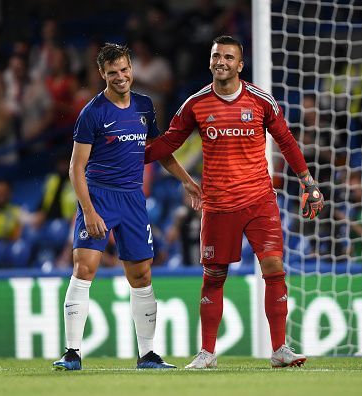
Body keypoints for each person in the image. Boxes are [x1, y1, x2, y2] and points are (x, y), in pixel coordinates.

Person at [145, 35, 323, 369]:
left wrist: (308, 183)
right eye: (216, 56)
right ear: (210, 61)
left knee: (274, 268)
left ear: (240, 65)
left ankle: (280, 349)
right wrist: (128, 154)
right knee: (213, 277)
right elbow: (168, 142)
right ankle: (207, 353)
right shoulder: (196, 104)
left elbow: (286, 140)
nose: (221, 62)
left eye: (228, 57)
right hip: (218, 206)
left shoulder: (260, 101)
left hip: (259, 201)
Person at [52, 43, 202, 371]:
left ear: (131, 68)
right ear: (101, 75)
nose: (120, 77)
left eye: (124, 70)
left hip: (133, 198)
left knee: (141, 273)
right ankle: (72, 353)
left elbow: (158, 149)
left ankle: (147, 354)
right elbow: (76, 168)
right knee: (84, 267)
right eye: (112, 73)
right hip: (100, 196)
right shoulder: (93, 113)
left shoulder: (145, 106)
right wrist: (89, 211)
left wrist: (186, 180)